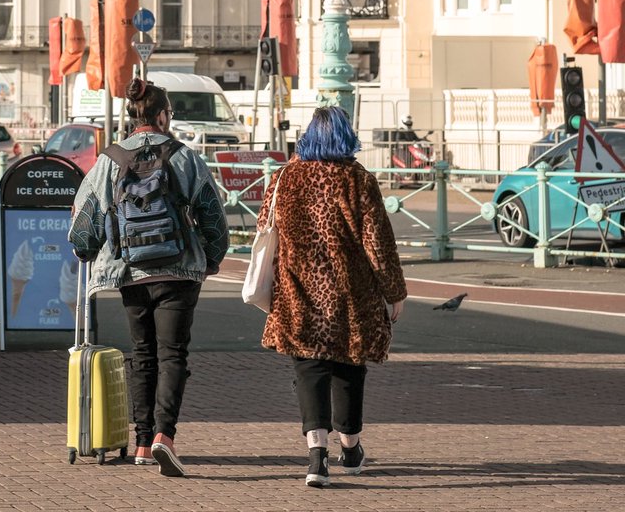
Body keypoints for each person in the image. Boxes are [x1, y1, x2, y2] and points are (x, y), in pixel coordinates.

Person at [68, 76, 229, 477]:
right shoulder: (183, 156)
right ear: (160, 116)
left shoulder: (110, 159)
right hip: (177, 270)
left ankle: (141, 442)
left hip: (130, 271)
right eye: (170, 113)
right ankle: (164, 437)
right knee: (173, 354)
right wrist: (211, 258)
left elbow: (86, 218)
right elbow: (211, 211)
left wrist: (86, 250)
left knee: (143, 355)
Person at [259, 104, 407, 488]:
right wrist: (394, 291)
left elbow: (265, 227)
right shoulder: (357, 180)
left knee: (308, 370)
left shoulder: (284, 177)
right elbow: (378, 241)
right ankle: (351, 448)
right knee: (348, 369)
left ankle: (316, 458)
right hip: (349, 296)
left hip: (297, 291)